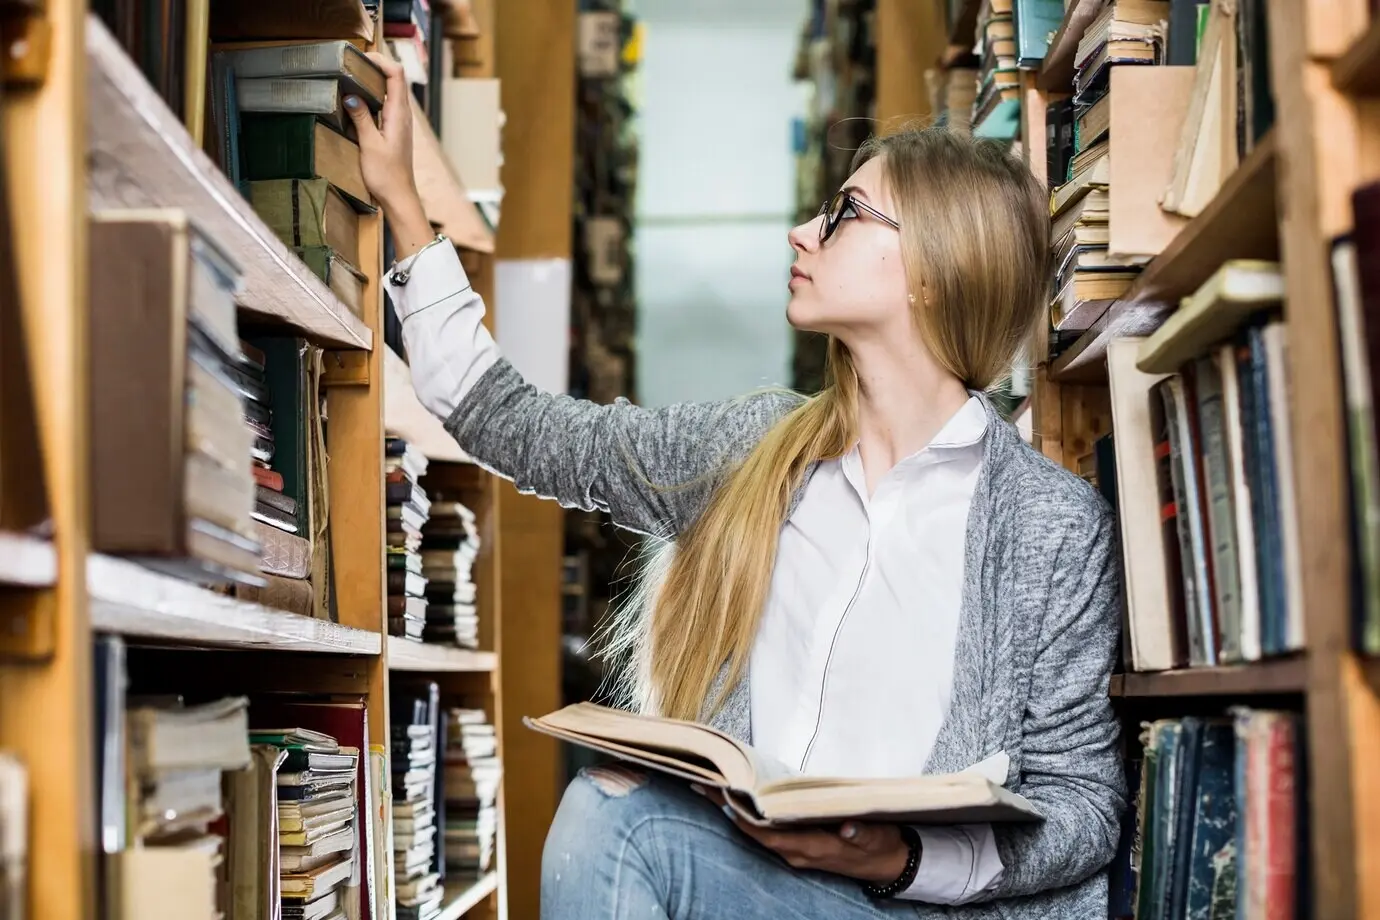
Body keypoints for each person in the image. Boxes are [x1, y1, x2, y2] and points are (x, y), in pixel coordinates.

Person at [348, 55, 1125, 919]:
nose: (801, 231)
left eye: (845, 215)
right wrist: (407, 211)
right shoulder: (751, 450)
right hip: (760, 887)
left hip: (924, 904)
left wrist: (897, 854)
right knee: (605, 813)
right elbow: (521, 429)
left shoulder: (1051, 526)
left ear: (935, 270)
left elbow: (1084, 809)